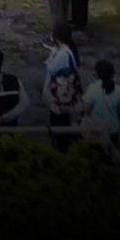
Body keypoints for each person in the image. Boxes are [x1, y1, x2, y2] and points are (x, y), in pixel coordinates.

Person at [43, 23, 84, 152]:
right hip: (69, 96)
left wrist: (51, 55)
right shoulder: (69, 49)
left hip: (61, 97)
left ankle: (61, 150)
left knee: (58, 126)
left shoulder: (62, 54)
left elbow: (50, 68)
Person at [81, 59, 120, 147]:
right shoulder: (119, 90)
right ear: (112, 74)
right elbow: (119, 111)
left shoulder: (93, 88)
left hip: (96, 130)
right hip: (112, 129)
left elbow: (86, 110)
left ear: (96, 74)